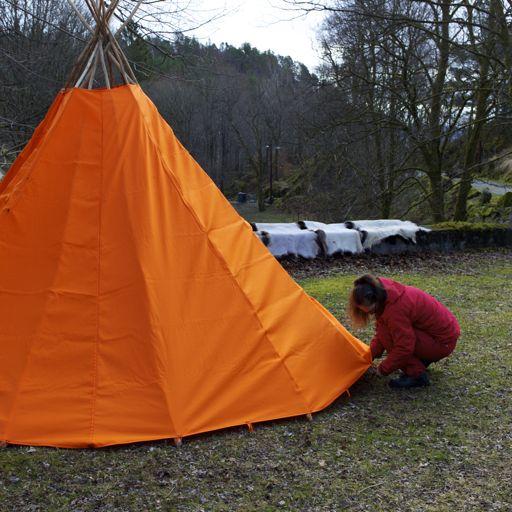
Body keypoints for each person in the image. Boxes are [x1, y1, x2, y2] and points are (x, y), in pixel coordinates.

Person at [348, 274, 460, 388]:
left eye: (371, 311)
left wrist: (382, 369)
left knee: (393, 338)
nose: (370, 314)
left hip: (442, 342)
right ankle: (419, 361)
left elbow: (404, 347)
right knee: (389, 333)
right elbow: (381, 331)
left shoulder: (395, 310)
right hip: (440, 336)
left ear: (375, 299)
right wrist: (368, 356)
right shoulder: (388, 295)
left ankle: (416, 375)